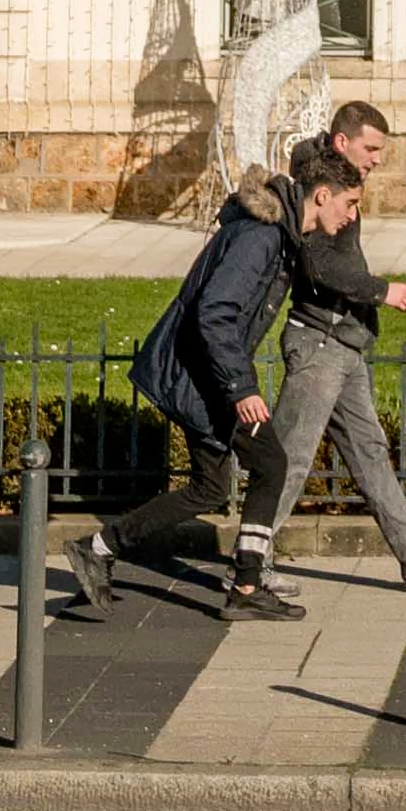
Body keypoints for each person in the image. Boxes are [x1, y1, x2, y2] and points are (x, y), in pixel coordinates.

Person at [254, 127, 406, 593]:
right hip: (319, 343)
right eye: (370, 149)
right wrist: (379, 291)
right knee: (291, 457)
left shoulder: (342, 187)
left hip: (344, 345)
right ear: (341, 143)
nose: (375, 160)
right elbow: (318, 266)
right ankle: (252, 562)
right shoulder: (316, 192)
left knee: (370, 451)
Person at [89, 148, 300, 620]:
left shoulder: (272, 235)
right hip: (206, 378)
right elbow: (216, 315)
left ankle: (100, 547)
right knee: (270, 463)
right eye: (348, 206)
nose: (349, 217)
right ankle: (245, 585)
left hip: (204, 373)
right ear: (321, 196)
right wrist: (242, 387)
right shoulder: (261, 238)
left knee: (209, 487)